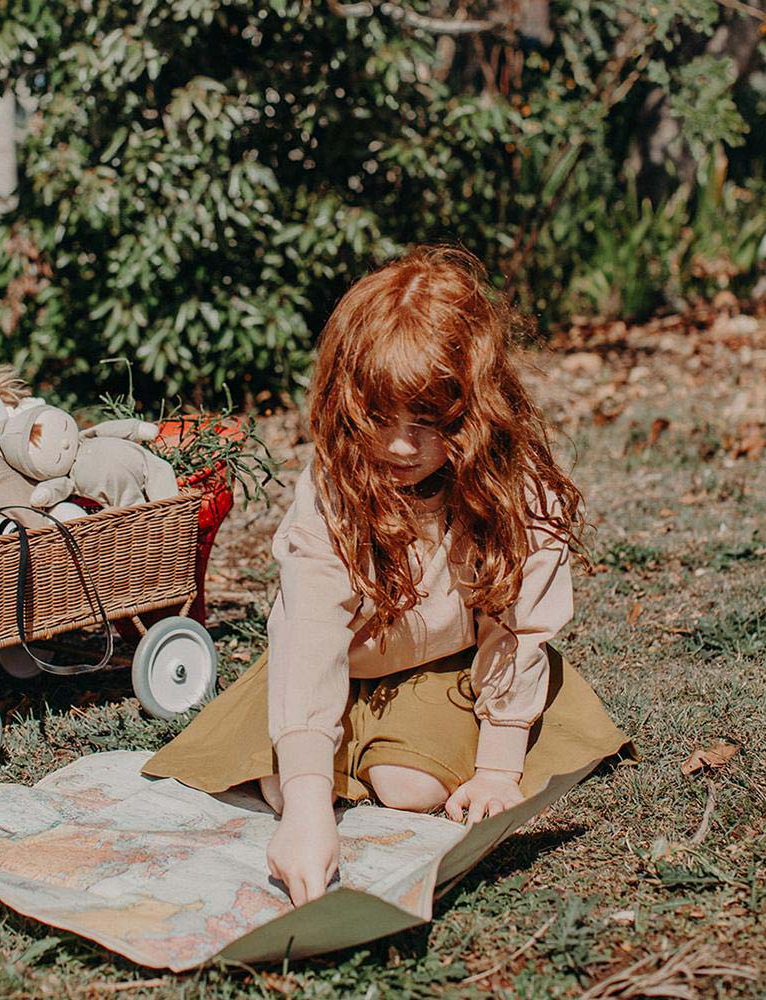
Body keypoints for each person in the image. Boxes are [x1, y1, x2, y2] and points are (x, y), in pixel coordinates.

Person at [142, 245, 631, 906]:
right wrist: (307, 812)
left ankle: (391, 756)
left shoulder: (514, 487)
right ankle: (331, 768)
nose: (400, 446)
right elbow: (310, 634)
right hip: (342, 665)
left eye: (428, 422)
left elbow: (516, 626)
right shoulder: (335, 487)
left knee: (412, 788)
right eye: (379, 418)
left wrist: (497, 768)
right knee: (290, 784)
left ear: (476, 407)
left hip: (451, 666)